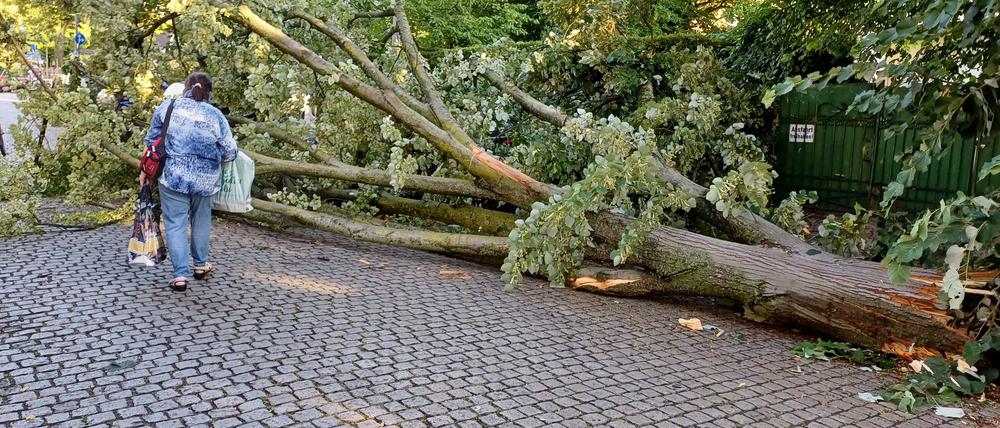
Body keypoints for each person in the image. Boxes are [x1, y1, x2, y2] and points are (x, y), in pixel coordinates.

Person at [139, 72, 238, 291]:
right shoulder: (215, 115)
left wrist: (145, 171)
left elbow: (151, 142)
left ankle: (179, 276)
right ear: (209, 91)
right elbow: (230, 151)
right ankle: (201, 266)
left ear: (185, 87)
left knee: (175, 224)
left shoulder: (167, 107)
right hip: (205, 180)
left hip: (173, 177)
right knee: (201, 221)